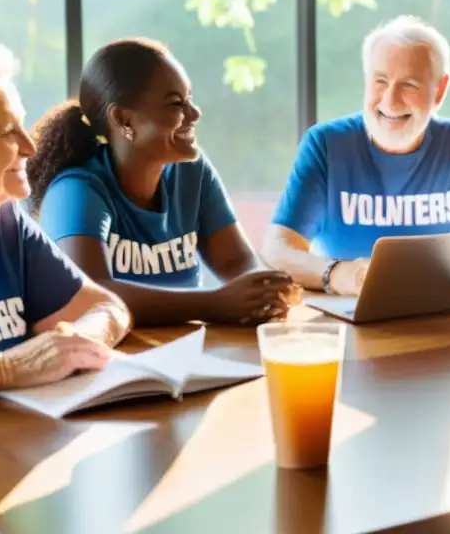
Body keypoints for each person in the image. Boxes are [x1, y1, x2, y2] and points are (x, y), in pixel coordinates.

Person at [27, 37, 298, 328]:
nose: (194, 114)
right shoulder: (76, 190)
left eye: (190, 99)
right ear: (123, 119)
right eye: (176, 104)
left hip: (190, 350)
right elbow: (90, 293)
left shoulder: (191, 172)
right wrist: (214, 304)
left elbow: (235, 262)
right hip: (118, 360)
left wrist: (264, 288)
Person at [0, 45, 131, 407]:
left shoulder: (3, 221)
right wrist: (9, 369)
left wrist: (70, 346)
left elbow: (109, 309)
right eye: (7, 132)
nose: (30, 146)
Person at [261, 15, 450, 294]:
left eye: (408, 85)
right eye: (380, 81)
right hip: (350, 320)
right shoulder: (326, 145)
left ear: (440, 90)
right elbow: (277, 248)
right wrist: (336, 273)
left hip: (448, 320)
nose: (390, 101)